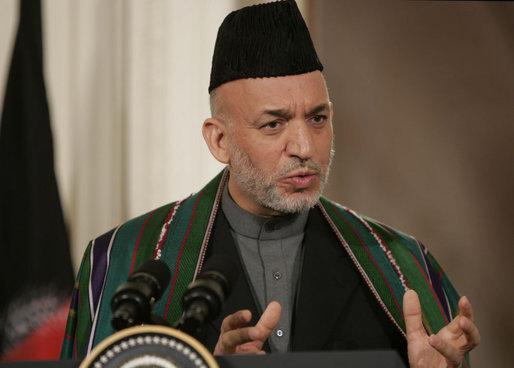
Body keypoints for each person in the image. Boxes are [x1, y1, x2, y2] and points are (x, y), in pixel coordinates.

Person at [61, 1, 479, 366]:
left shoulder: (400, 262)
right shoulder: (121, 258)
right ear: (219, 140)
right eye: (274, 124)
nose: (303, 146)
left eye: (317, 119)